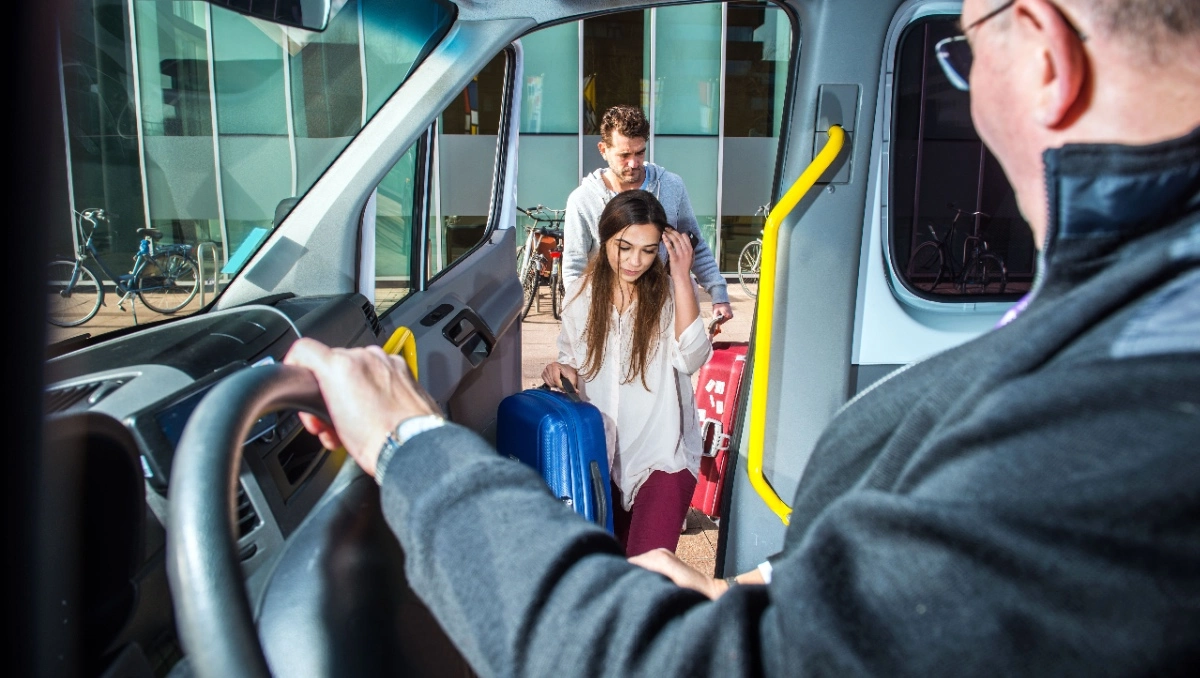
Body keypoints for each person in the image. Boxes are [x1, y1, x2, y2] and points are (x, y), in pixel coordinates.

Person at [284, 0, 1200, 673]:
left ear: (1043, 54)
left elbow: (663, 663)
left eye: (961, 54)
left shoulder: (1131, 406)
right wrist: (761, 591)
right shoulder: (1129, 321)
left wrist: (410, 441)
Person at [541, 190, 711, 558]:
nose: (636, 261)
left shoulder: (669, 294)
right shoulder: (580, 297)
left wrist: (682, 277)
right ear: (605, 239)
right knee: (610, 575)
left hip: (663, 457)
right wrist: (560, 371)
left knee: (647, 573)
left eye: (649, 250)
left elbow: (693, 356)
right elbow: (570, 360)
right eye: (625, 246)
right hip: (601, 462)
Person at [562, 104, 735, 325]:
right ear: (603, 150)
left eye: (640, 152)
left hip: (664, 310)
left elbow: (694, 245)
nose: (633, 163)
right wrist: (577, 318)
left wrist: (719, 294)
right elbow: (574, 266)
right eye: (624, 155)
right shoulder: (583, 199)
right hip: (609, 314)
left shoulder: (671, 186)